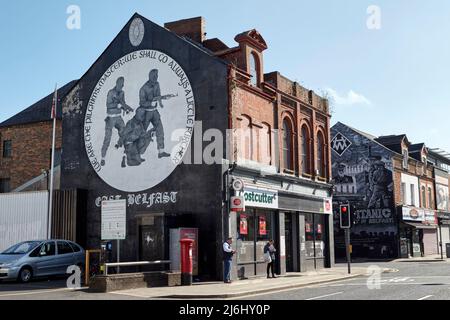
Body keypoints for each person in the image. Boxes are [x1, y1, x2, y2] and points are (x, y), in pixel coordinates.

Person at [139, 69, 173, 159]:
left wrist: (162, 101)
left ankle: (161, 152)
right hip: (146, 113)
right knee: (142, 133)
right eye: (154, 76)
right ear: (150, 76)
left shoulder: (157, 84)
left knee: (160, 130)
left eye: (157, 76)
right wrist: (150, 103)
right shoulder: (143, 88)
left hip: (154, 112)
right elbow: (141, 103)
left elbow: (158, 95)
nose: (156, 78)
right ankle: (137, 152)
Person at [101, 77, 134, 166]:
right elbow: (108, 105)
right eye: (120, 84)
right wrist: (117, 105)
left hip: (118, 118)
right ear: (116, 83)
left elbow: (123, 103)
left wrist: (128, 108)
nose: (121, 86)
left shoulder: (122, 93)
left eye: (122, 85)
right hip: (110, 118)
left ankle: (124, 154)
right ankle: (103, 157)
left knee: (125, 133)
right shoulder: (111, 92)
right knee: (107, 138)